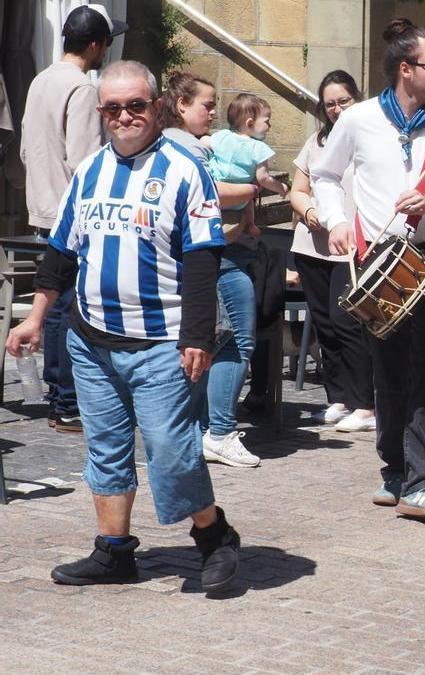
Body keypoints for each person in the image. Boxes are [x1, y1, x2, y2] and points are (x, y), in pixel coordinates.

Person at [4, 60, 241, 592]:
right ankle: (114, 552)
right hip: (92, 341)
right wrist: (36, 319)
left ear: (156, 107)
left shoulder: (184, 169)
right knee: (106, 448)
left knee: (171, 452)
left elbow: (204, 261)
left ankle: (214, 536)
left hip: (162, 342)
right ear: (101, 112)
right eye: (112, 108)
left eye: (135, 105)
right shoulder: (89, 171)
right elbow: (61, 253)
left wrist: (198, 337)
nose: (124, 116)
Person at [313, 18, 425, 523]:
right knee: (387, 370)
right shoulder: (360, 119)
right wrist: (337, 220)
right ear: (406, 69)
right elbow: (323, 174)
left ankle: (424, 482)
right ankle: (394, 468)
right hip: (380, 261)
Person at [19, 4, 124, 433]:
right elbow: (84, 160)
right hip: (71, 213)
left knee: (57, 303)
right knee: (66, 307)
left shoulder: (41, 80)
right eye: (108, 44)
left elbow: (27, 149)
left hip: (41, 205)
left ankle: (58, 398)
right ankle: (65, 402)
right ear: (96, 44)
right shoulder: (81, 87)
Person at [157, 73, 262, 469]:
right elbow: (211, 195)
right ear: (182, 104)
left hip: (204, 255)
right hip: (219, 254)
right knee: (236, 340)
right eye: (207, 104)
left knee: (210, 340)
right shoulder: (189, 148)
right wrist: (255, 188)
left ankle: (204, 428)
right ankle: (219, 431)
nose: (214, 112)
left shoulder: (170, 142)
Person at [288, 70, 376, 433]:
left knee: (347, 322)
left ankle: (365, 403)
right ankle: (338, 398)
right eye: (330, 104)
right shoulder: (317, 141)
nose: (337, 109)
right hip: (313, 244)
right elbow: (297, 189)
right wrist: (310, 213)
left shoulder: (372, 139)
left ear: (357, 99)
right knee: (324, 324)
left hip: (352, 246)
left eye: (344, 101)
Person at [207, 93, 290, 212]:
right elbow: (263, 178)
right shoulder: (259, 148)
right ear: (250, 123)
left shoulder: (223, 135)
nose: (270, 126)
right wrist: (281, 187)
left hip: (216, 192)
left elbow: (204, 142)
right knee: (252, 189)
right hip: (239, 199)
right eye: (267, 121)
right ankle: (250, 223)